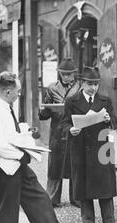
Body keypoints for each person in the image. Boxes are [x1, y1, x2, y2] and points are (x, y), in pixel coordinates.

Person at [0, 71, 80, 223]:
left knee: (40, 199)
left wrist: (26, 132)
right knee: (7, 212)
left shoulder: (5, 107)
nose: (19, 94)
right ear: (7, 91)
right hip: (6, 167)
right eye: (17, 91)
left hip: (17, 166)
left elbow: (10, 135)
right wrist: (20, 155)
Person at [61, 66, 117, 223]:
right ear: (82, 83)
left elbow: (115, 122)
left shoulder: (105, 100)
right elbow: (64, 124)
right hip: (80, 148)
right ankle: (88, 221)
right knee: (84, 187)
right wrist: (70, 130)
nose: (93, 88)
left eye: (96, 84)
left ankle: (109, 220)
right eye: (90, 84)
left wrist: (109, 120)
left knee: (105, 185)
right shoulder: (71, 101)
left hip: (102, 148)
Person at [39, 57, 81, 208]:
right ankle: (52, 198)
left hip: (73, 130)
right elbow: (45, 114)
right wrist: (44, 111)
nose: (65, 77)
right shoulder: (51, 88)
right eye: (62, 74)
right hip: (57, 132)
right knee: (54, 165)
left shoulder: (80, 88)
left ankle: (76, 198)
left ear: (74, 74)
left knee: (75, 164)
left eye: (68, 74)